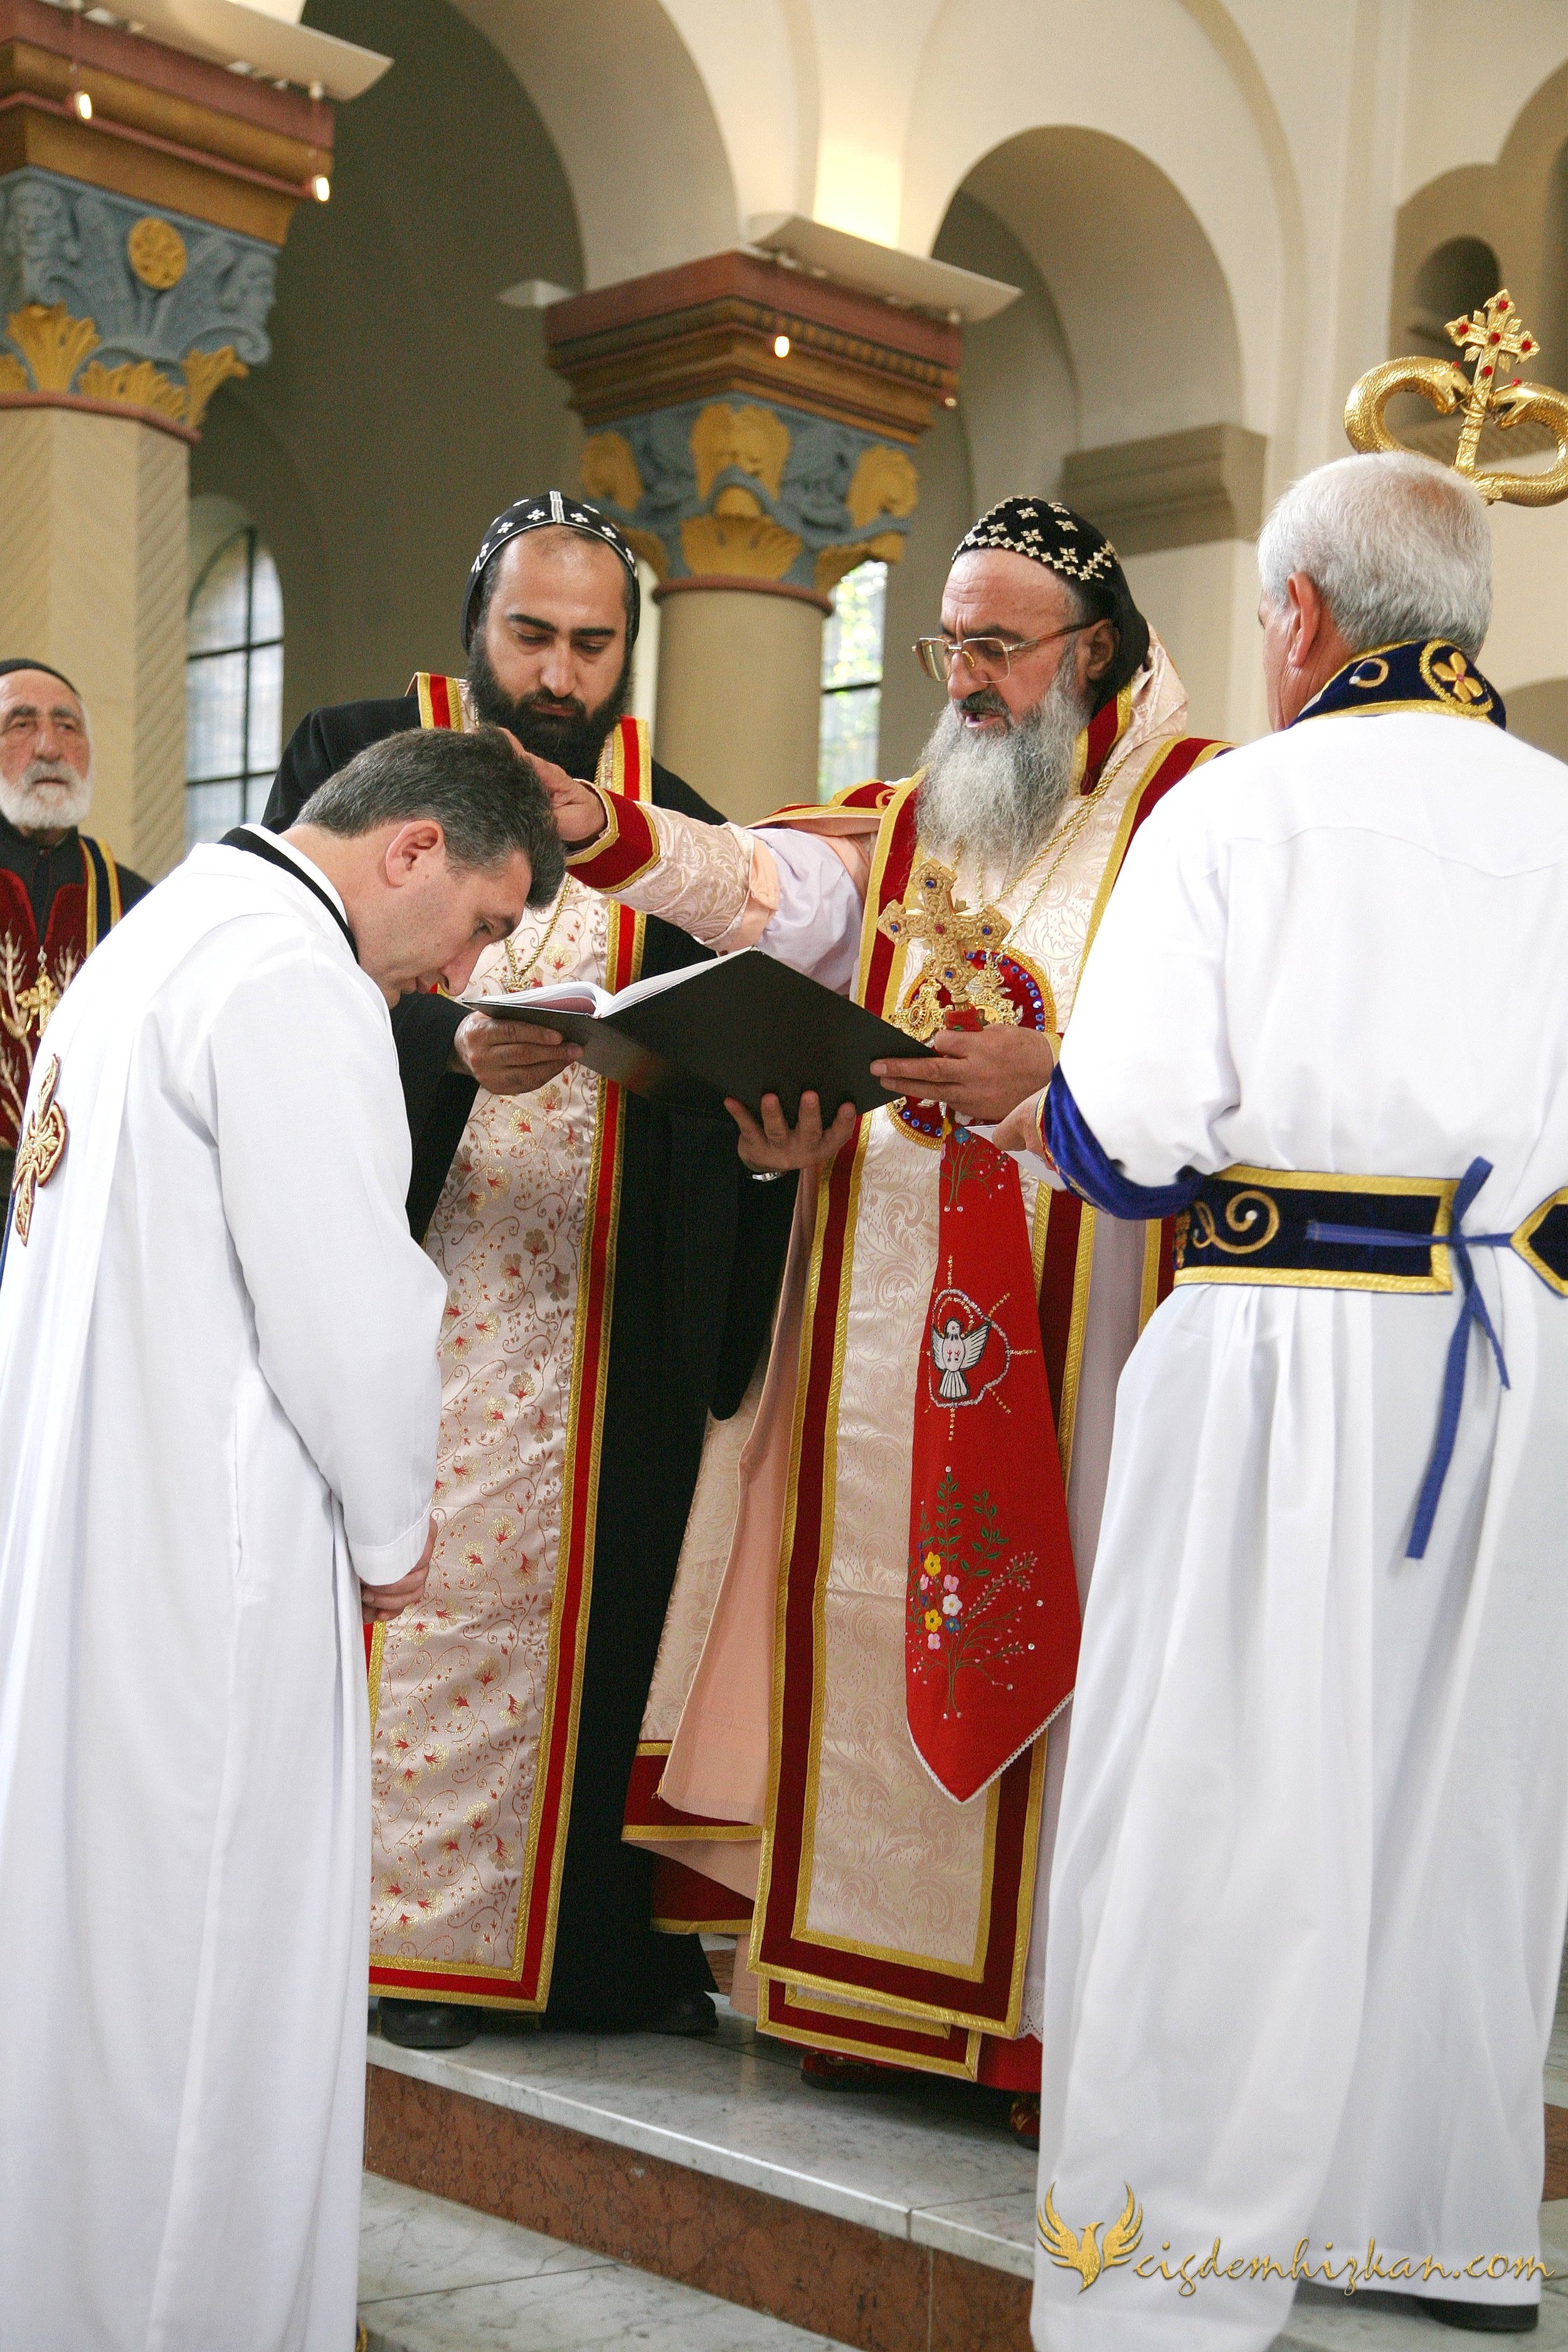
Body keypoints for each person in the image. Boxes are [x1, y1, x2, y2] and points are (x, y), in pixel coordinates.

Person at [546, 501, 1222, 2106]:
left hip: (1091, 1320)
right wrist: (604, 827)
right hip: (875, 1293)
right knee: (856, 1597)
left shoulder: (1201, 812)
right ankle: (864, 2003)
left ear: (1097, 649)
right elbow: (762, 890)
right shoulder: (914, 820)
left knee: (1070, 1611)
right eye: (949, 645)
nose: (967, 679)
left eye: (997, 646)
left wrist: (1060, 1075)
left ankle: (1046, 2016)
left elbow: (1246, 1045)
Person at [1009, 451, 1568, 2345]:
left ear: (1297, 617)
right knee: (1466, 1789)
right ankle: (1427, 2220)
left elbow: (1123, 1131)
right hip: (1520, 1356)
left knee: (1223, 1787)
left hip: (1285, 1343)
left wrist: (1052, 1105)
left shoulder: (1239, 812)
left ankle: (1164, 2266)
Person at [0, 724, 558, 2351]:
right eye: (480, 917)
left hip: (89, 1549)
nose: (469, 965)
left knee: (94, 1973)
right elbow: (349, 1310)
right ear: (407, 848)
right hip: (211, 1578)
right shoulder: (291, 981)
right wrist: (395, 1530)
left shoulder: (148, 940)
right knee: (208, 1976)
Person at [265, 494, 793, 2047]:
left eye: (593, 641)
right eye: (531, 634)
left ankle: (585, 1953)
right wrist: (445, 1042)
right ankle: (395, 1942)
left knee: (604, 1609)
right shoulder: (361, 755)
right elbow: (286, 976)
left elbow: (714, 1034)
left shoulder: (668, 816)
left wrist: (728, 1109)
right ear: (474, 624)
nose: (560, 673)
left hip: (601, 1299)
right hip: (414, 1271)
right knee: (421, 1605)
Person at [0, 659, 149, 1197]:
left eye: (67, 726)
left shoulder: (142, 907)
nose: (48, 747)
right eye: (21, 724)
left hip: (84, 1200)